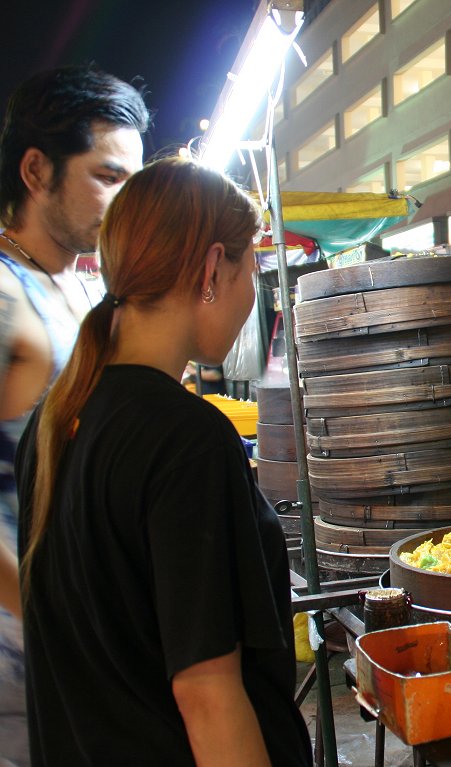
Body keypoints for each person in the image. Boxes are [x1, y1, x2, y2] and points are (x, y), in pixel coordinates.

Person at [15, 158, 312, 766]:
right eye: (250, 267)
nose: (250, 289)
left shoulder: (53, 425)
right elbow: (207, 695)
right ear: (211, 269)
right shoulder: (187, 442)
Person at [0, 65, 148, 766]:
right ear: (36, 169)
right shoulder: (4, 298)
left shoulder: (80, 285)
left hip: (77, 628)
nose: (125, 201)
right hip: (20, 650)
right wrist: (48, 617)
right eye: (108, 176)